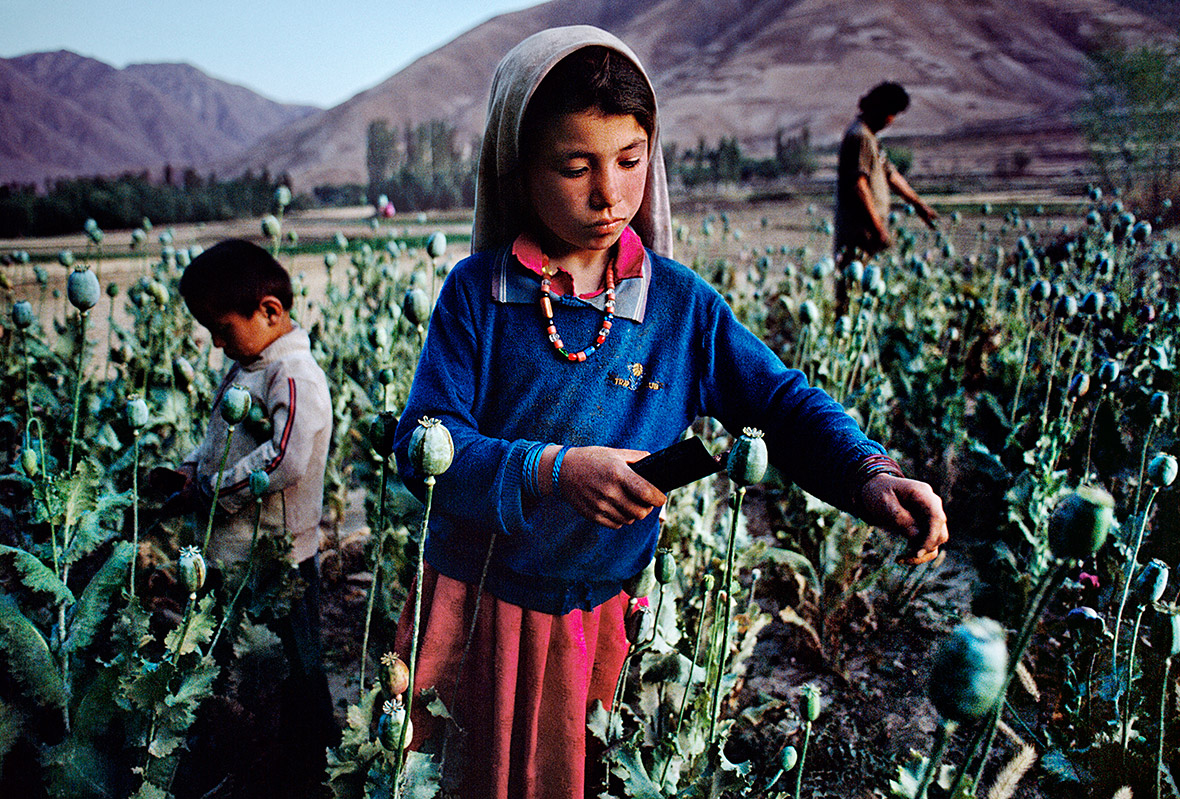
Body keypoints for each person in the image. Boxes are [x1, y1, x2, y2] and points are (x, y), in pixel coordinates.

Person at [391, 26, 949, 799]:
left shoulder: (680, 306)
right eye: (576, 166)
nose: (609, 194)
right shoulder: (477, 293)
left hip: (600, 617)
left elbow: (780, 402)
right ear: (518, 168)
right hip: (478, 604)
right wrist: (552, 469)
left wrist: (867, 472)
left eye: (629, 161)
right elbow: (425, 442)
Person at [174, 238, 335, 796]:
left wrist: (216, 490)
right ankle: (246, 753)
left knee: (301, 664)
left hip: (281, 556)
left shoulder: (294, 375)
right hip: (235, 550)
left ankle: (316, 767)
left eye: (222, 328)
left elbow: (286, 460)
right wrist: (193, 468)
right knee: (239, 658)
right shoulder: (250, 363)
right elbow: (221, 434)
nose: (217, 343)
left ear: (270, 311)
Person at [833, 81, 938, 315]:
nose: (892, 121)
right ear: (880, 110)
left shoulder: (870, 138)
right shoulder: (859, 136)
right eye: (891, 114)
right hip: (857, 235)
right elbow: (859, 185)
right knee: (850, 298)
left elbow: (890, 175)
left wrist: (918, 204)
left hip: (867, 235)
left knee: (861, 299)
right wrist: (878, 227)